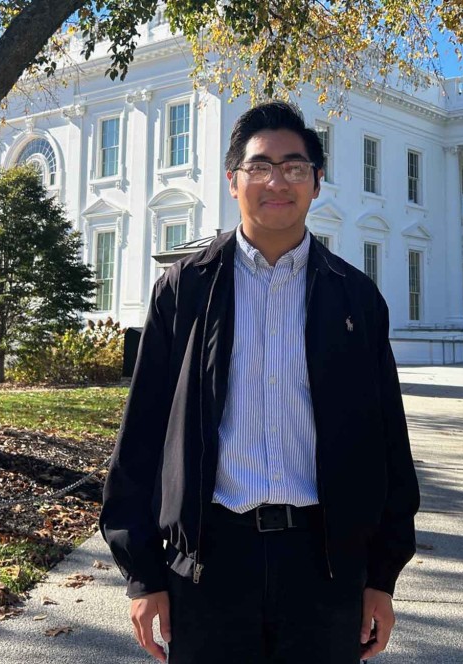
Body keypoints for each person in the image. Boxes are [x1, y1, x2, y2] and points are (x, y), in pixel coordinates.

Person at [100, 102, 419, 664]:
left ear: (317, 182)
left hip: (323, 565)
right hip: (209, 562)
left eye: (295, 167)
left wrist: (381, 576)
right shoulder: (185, 291)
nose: (278, 181)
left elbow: (388, 443)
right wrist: (143, 577)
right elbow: (143, 435)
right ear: (233, 181)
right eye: (260, 166)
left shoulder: (356, 298)